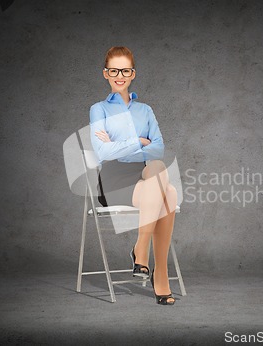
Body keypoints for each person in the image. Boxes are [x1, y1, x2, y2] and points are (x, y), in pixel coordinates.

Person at [89, 46, 177, 305]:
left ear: (133, 73)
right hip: (113, 180)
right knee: (168, 193)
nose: (120, 75)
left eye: (125, 70)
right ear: (106, 73)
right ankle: (158, 274)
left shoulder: (145, 111)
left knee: (158, 171)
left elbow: (159, 147)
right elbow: (102, 151)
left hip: (143, 177)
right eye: (114, 70)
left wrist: (123, 143)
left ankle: (142, 251)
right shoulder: (99, 109)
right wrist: (138, 141)